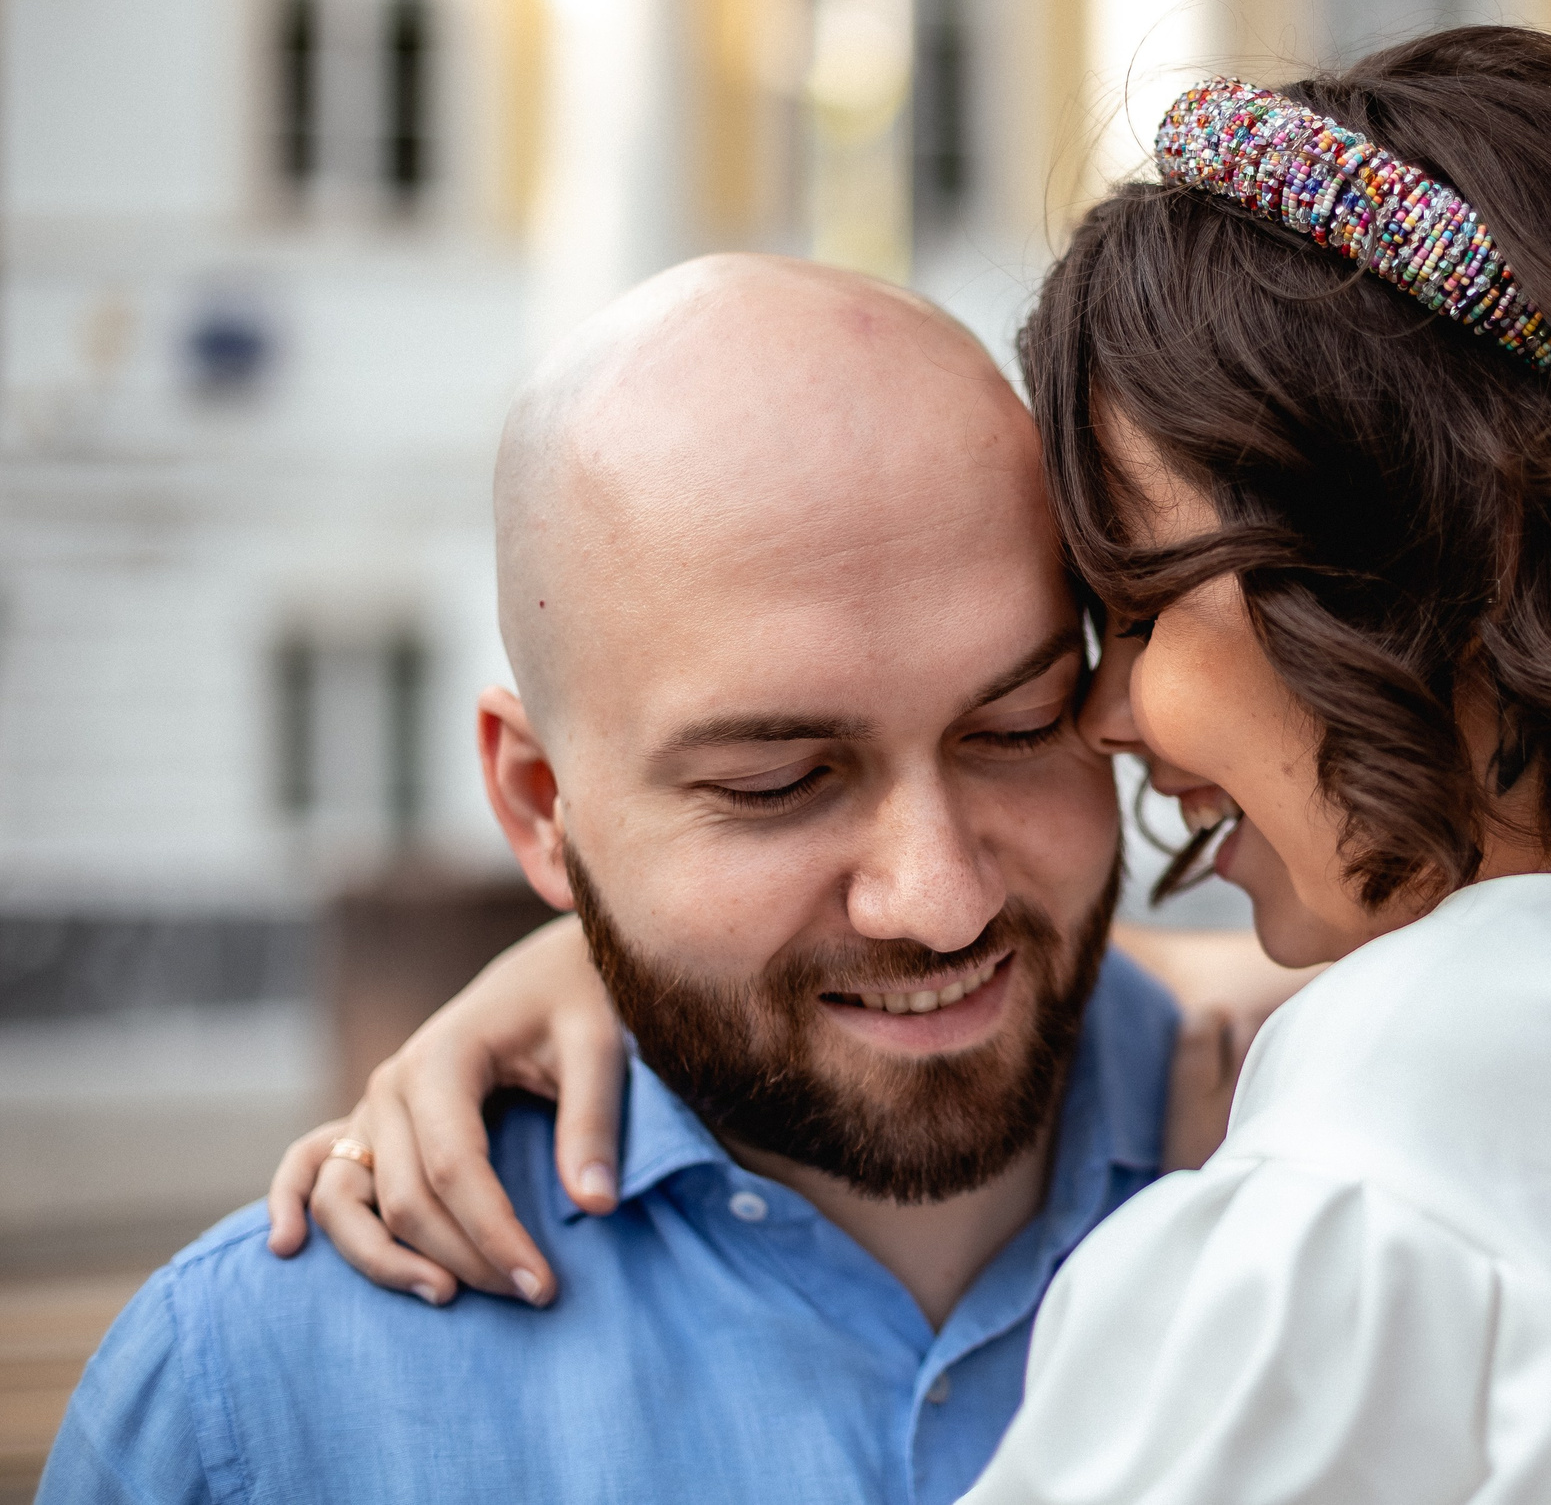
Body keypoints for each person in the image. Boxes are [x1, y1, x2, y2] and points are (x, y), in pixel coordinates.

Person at [276, 28, 1551, 1501]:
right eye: (775, 780)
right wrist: (633, 951)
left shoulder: (1345, 1231)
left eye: (1136, 609)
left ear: (1404, 580)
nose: (1111, 717)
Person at [38, 257, 1277, 1505]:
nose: (940, 897)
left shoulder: (1357, 1176)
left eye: (1017, 729)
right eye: (778, 783)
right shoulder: (253, 1402)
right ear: (539, 801)